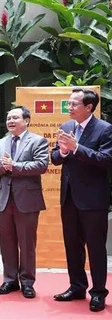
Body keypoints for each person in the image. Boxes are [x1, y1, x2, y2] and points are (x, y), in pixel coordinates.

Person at [51, 88, 112, 312]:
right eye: (68, 104)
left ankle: (98, 293)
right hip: (69, 197)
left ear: (89, 107)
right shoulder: (67, 127)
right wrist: (64, 152)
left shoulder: (105, 130)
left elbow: (105, 160)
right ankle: (77, 287)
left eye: (74, 104)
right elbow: (55, 158)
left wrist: (76, 148)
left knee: (95, 248)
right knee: (72, 245)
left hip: (93, 199)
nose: (70, 108)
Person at [0, 106, 48, 299]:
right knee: (7, 243)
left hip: (27, 200)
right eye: (8, 118)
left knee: (27, 243)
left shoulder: (37, 141)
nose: (10, 121)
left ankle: (28, 282)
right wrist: (2, 166)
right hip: (5, 199)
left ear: (27, 121)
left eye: (15, 118)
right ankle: (10, 280)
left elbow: (41, 165)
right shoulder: (1, 143)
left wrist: (14, 166)